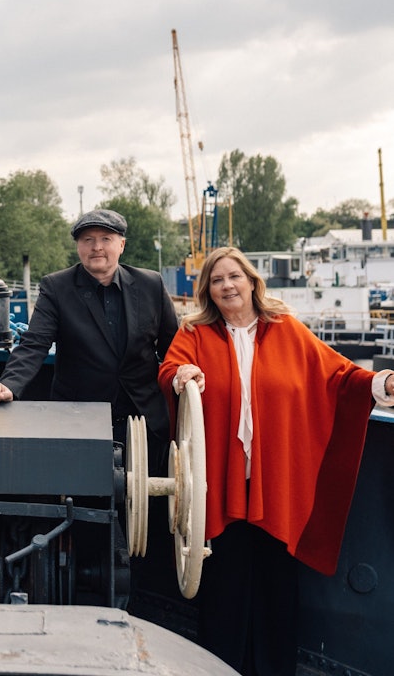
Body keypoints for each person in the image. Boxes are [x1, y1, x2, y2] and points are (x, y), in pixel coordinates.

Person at [159, 247, 394, 676]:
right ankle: (219, 668)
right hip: (219, 484)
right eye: (216, 280)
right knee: (224, 585)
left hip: (275, 483)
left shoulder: (286, 329)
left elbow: (337, 375)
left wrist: (382, 382)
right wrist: (181, 376)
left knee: (277, 585)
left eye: (234, 276)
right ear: (208, 291)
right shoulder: (195, 333)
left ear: (252, 281)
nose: (227, 286)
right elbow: (171, 368)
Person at [0, 208, 179, 450]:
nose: (97, 247)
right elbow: (34, 344)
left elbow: (173, 347)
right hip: (78, 420)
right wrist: (9, 384)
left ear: (122, 245)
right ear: (78, 247)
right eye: (88, 240)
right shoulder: (56, 287)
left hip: (144, 419)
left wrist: (186, 371)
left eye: (106, 239)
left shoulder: (151, 284)